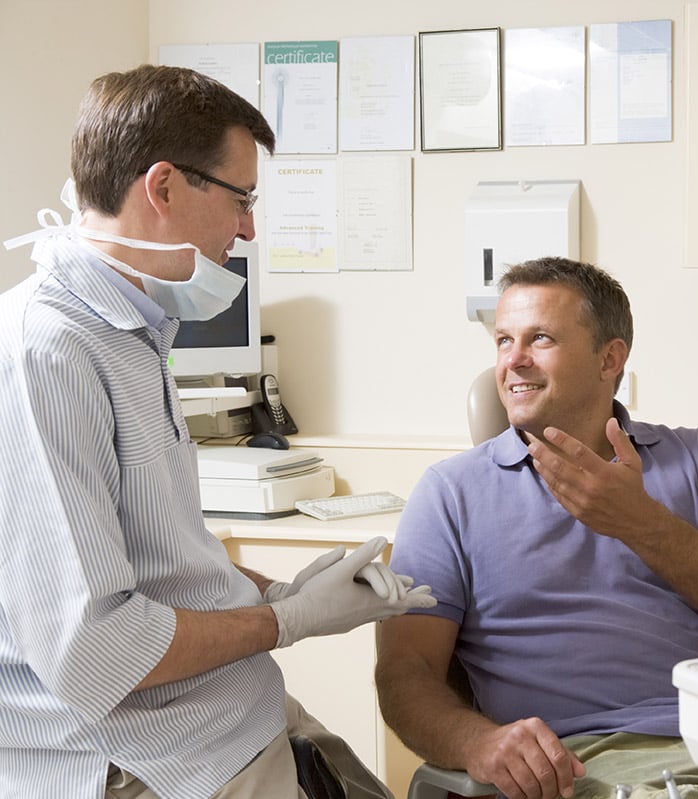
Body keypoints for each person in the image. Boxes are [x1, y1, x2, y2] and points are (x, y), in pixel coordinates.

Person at [0, 64, 434, 799]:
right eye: (242, 197)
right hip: (148, 758)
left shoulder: (133, 330)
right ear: (163, 187)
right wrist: (287, 619)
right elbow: (95, 648)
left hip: (228, 713)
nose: (249, 227)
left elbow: (158, 563)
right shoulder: (45, 352)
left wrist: (281, 587)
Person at [376, 257, 698, 799]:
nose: (514, 362)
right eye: (504, 340)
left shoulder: (697, 457)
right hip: (582, 761)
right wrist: (478, 743)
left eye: (541, 339)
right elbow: (404, 672)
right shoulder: (449, 493)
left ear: (610, 358)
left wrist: (639, 522)